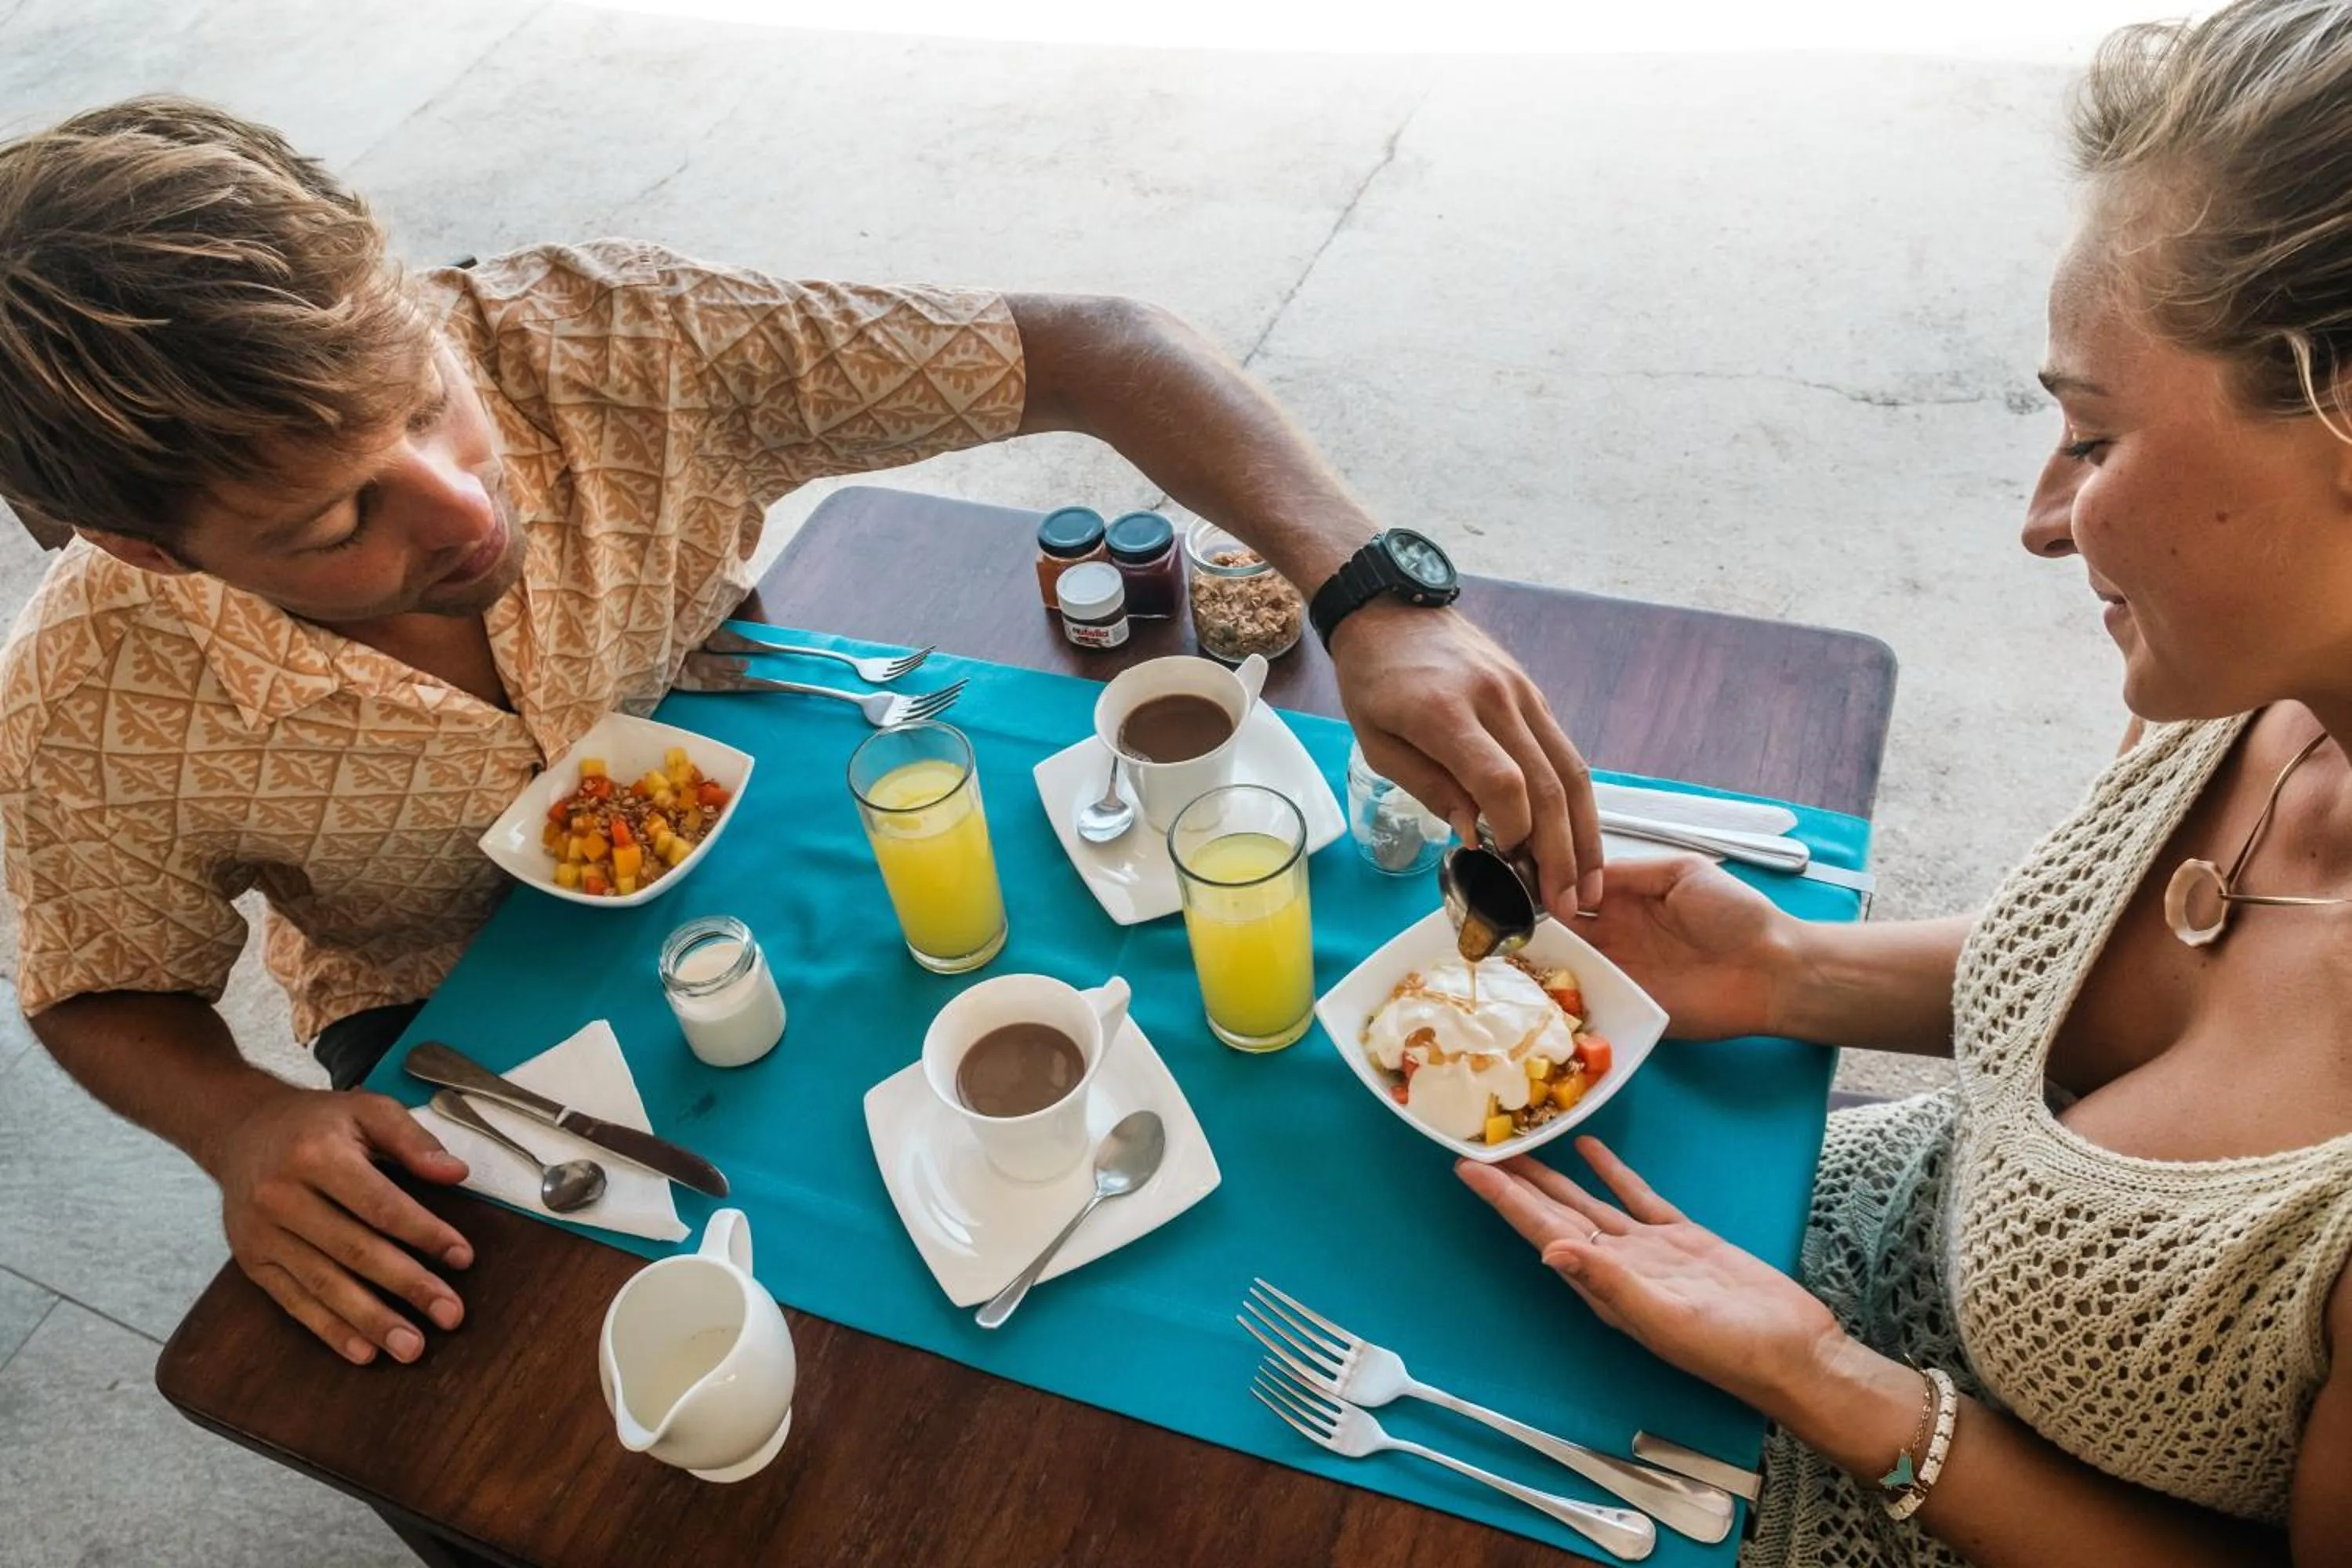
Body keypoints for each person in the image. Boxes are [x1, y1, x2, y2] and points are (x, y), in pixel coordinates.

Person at [0, 96, 1600, 1369]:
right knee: (569, 1387)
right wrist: (245, 1122)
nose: (465, 504)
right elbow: (95, 984)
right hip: (448, 1018)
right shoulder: (86, 693)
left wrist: (1380, 595)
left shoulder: (614, 334)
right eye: (340, 512)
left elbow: (1104, 347)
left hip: (764, 782)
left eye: (424, 400)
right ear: (148, 547)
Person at [1459, 2, 2352, 1562]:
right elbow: (2110, 992)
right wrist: (1786, 970)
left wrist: (1840, 1388)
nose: (2040, 517)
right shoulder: (2252, 682)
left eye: (2091, 435)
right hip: (1829, 1262)